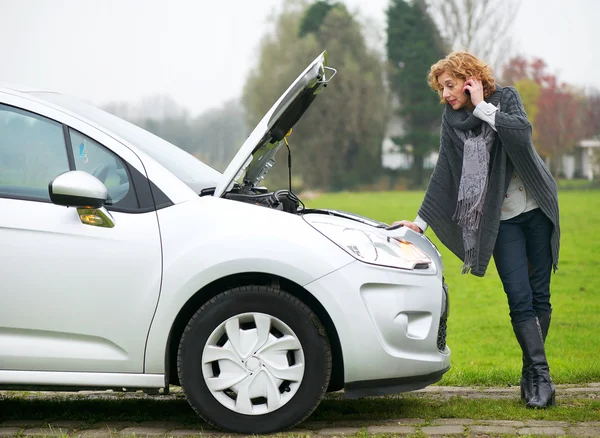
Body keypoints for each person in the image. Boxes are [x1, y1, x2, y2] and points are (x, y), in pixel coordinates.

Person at [394, 52, 560, 409]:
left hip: (537, 209)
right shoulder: (451, 120)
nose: (446, 94)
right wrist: (419, 222)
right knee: (519, 298)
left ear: (470, 78)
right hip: (501, 221)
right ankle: (541, 377)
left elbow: (521, 136)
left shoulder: (506, 99)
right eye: (442, 89)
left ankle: (532, 374)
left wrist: (483, 105)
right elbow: (444, 172)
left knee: (540, 296)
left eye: (450, 85)